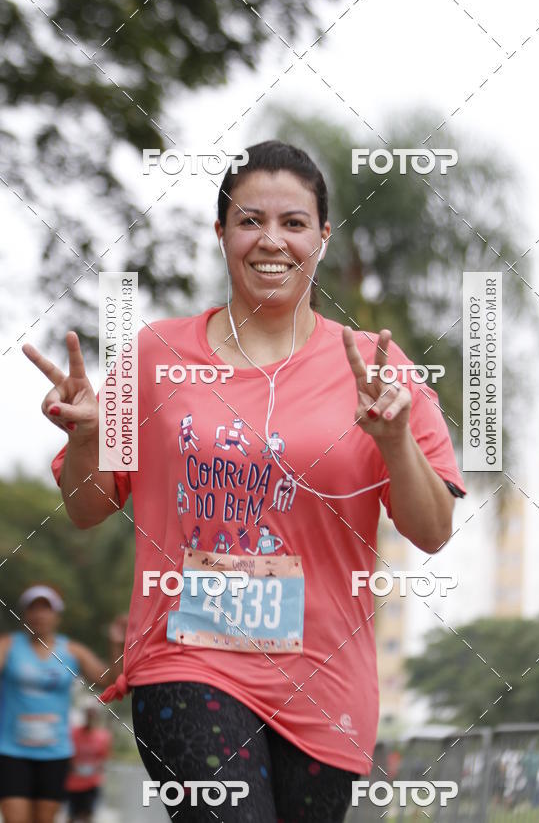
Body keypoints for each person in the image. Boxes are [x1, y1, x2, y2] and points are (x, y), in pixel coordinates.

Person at [23, 140, 466, 822]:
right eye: (250, 220)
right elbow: (87, 508)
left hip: (325, 687)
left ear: (323, 236)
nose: (272, 241)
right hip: (185, 662)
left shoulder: (379, 368)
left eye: (294, 223)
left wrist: (395, 442)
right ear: (221, 233)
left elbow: (432, 531)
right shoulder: (155, 355)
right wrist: (88, 440)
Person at [0, 585, 125, 823]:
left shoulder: (71, 651)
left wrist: (116, 643)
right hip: (11, 752)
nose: (39, 615)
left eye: (46, 609)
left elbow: (109, 680)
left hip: (54, 754)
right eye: (33, 609)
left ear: (57, 616)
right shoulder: (8, 645)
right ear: (24, 615)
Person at [65, 702, 112, 823]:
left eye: (93, 714)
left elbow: (104, 759)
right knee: (71, 817)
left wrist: (95, 768)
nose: (91, 716)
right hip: (72, 784)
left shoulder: (103, 736)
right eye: (88, 713)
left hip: (92, 784)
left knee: (87, 817)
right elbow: (66, 755)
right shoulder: (73, 733)